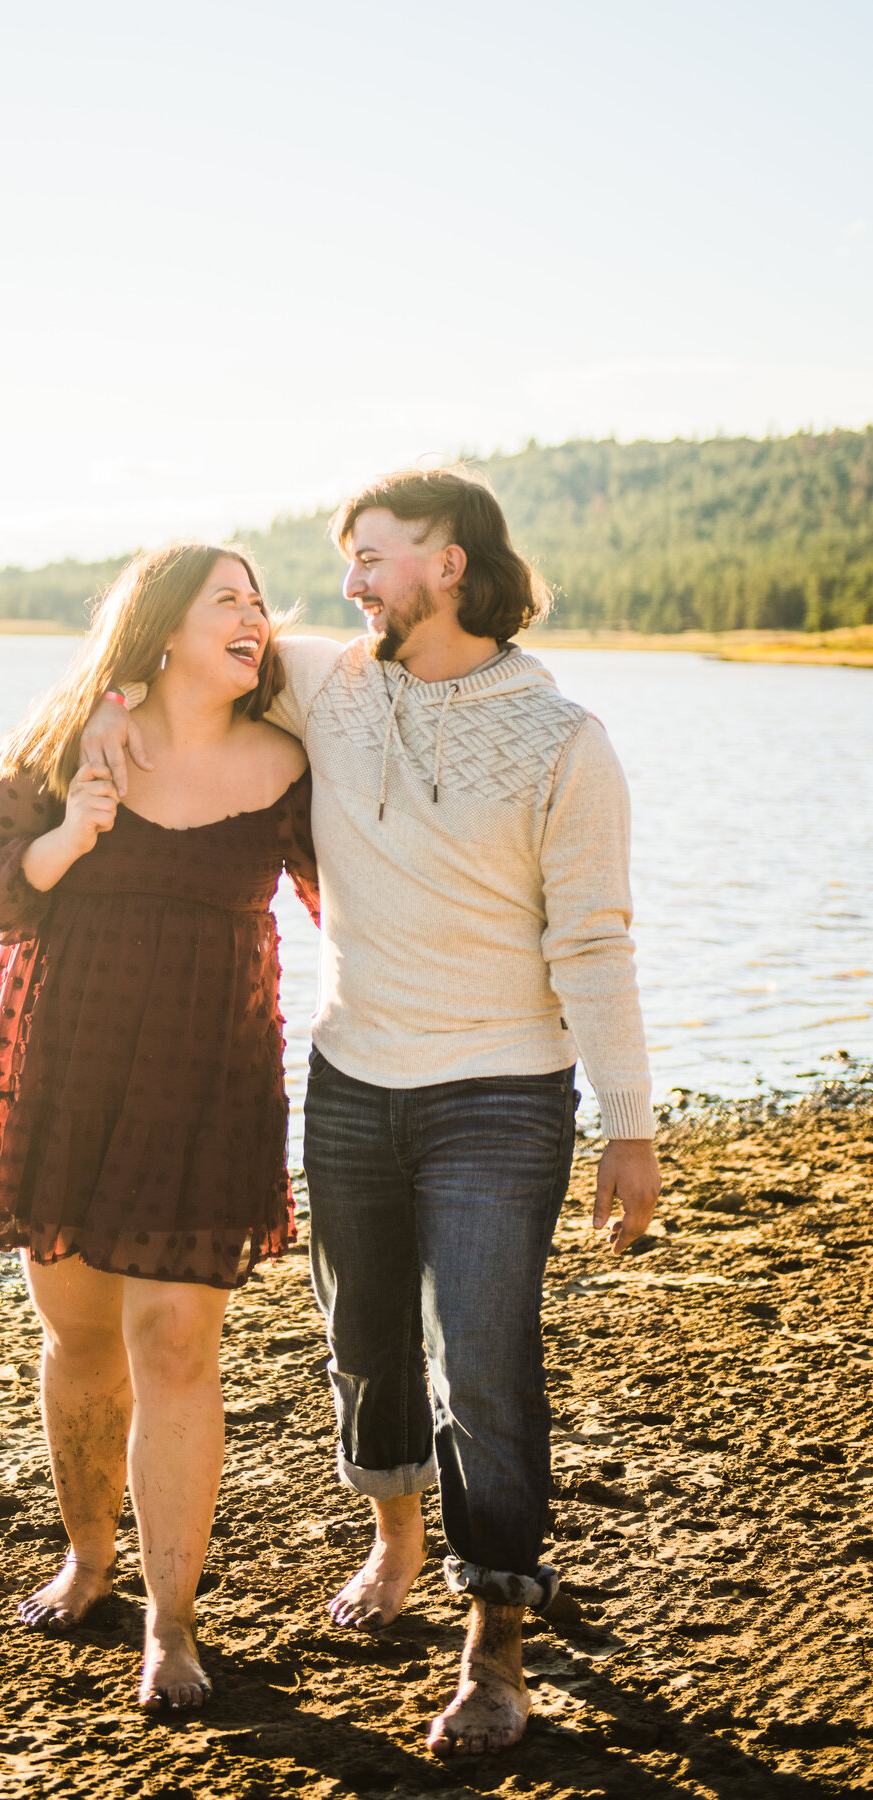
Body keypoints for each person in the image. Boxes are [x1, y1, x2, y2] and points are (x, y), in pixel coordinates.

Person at [80, 467, 661, 1756]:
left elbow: (598, 940)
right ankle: (397, 1541)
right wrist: (112, 713)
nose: (346, 583)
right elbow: (176, 646)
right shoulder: (328, 681)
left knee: (487, 1366)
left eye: (372, 556)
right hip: (351, 1080)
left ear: (450, 563)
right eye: (345, 560)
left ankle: (496, 1641)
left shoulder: (566, 739)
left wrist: (629, 1120)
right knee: (367, 1351)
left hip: (501, 1095)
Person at [0, 542, 317, 1713]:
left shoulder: (295, 763)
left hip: (209, 1079)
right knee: (84, 1336)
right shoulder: (69, 741)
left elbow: (364, 899)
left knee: (177, 1346)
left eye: (261, 604)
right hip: (68, 1067)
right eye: (227, 603)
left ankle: (174, 1625)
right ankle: (87, 1556)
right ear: (158, 630)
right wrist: (72, 834)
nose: (255, 619)